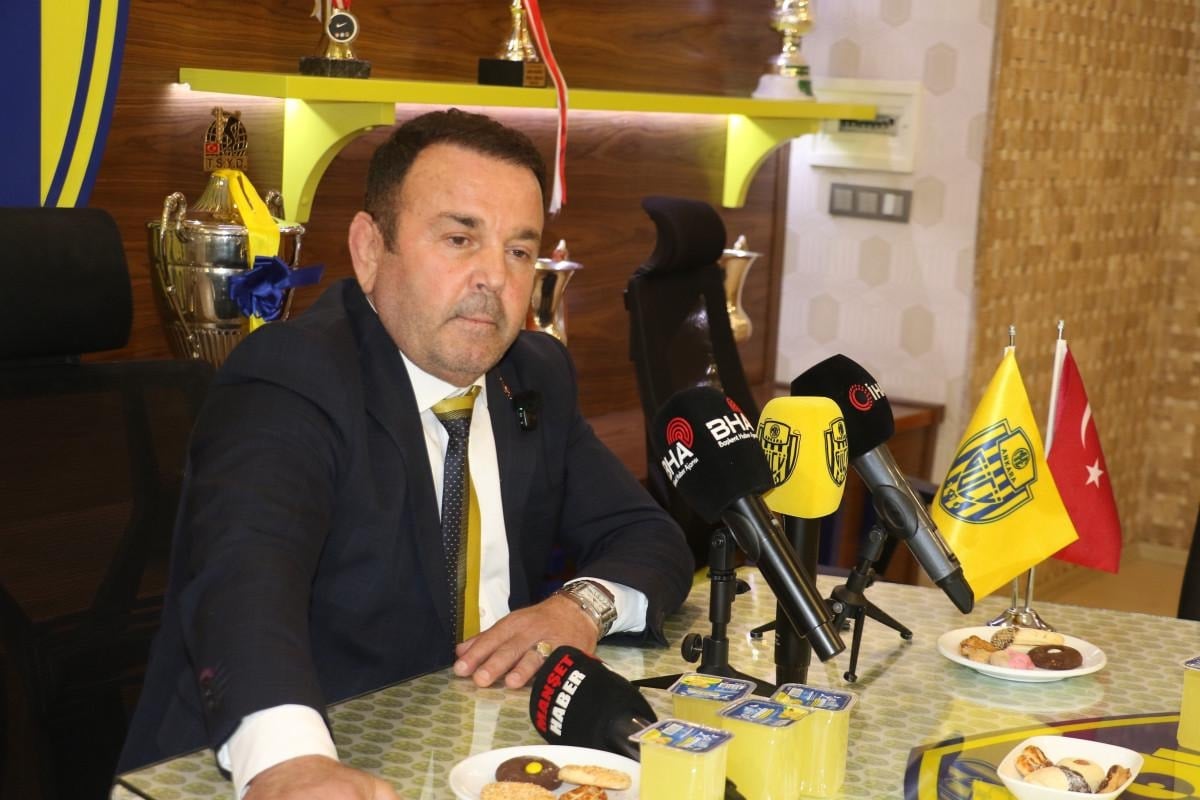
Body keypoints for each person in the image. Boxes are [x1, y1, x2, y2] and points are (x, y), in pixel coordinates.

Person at [118, 109, 693, 799]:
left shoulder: (532, 374)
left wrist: (579, 607)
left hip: (474, 754)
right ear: (369, 250)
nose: (494, 277)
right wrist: (289, 760)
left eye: (519, 251)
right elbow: (243, 582)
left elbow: (648, 536)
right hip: (286, 766)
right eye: (459, 238)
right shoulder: (292, 377)